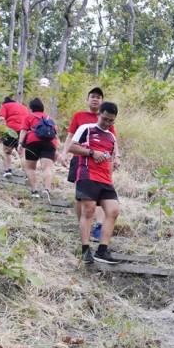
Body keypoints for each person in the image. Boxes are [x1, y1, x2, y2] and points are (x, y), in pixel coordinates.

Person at [69, 102, 122, 265]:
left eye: (111, 121)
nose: (107, 123)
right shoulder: (86, 128)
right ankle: (85, 250)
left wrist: (113, 167)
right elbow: (72, 147)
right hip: (87, 175)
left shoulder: (111, 136)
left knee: (113, 211)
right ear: (99, 113)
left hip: (105, 179)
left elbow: (111, 157)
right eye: (105, 119)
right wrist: (92, 152)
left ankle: (102, 250)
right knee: (89, 212)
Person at [61, 87, 117, 242]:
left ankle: (98, 225)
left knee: (98, 196)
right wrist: (64, 153)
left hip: (100, 166)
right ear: (88, 99)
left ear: (102, 101)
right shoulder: (79, 116)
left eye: (99, 97)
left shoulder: (107, 118)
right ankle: (83, 226)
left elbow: (112, 141)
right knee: (81, 197)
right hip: (79, 160)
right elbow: (71, 136)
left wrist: (116, 157)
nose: (95, 99)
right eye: (92, 96)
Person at [18, 98, 59, 200]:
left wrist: (20, 144)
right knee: (47, 168)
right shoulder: (49, 118)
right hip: (49, 143)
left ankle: (34, 191)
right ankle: (47, 190)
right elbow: (55, 134)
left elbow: (23, 131)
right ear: (42, 108)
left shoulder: (28, 116)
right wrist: (57, 150)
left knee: (30, 168)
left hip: (33, 142)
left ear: (31, 108)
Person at [0, 96, 29, 177]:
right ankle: (28, 175)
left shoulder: (5, 106)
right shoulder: (24, 107)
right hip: (23, 131)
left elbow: (1, 119)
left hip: (11, 130)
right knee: (22, 154)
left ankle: (8, 170)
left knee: (6, 152)